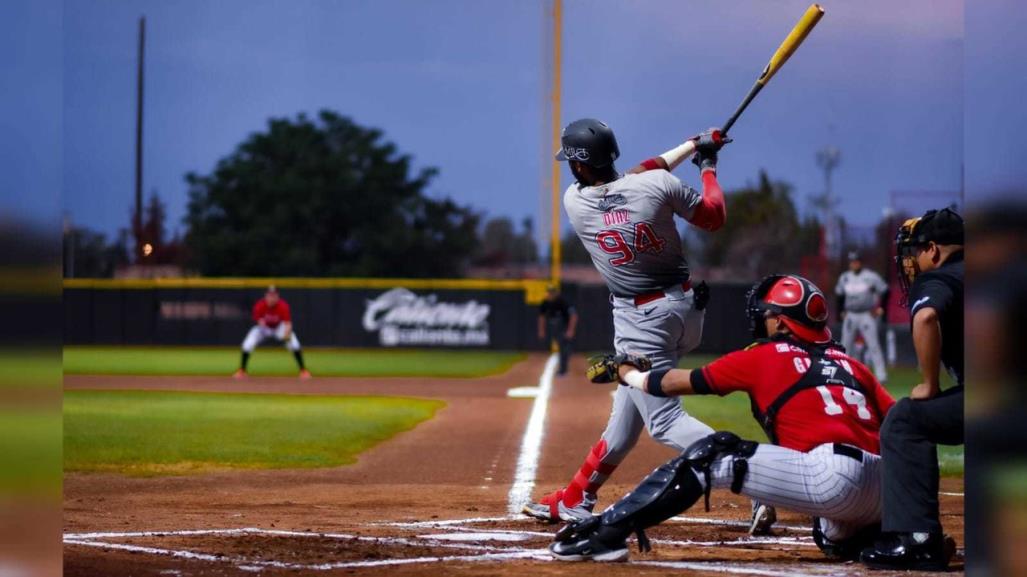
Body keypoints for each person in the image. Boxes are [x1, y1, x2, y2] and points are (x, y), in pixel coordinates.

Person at [522, 118, 778, 534]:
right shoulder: (657, 186)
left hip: (642, 322)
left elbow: (644, 170)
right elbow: (712, 215)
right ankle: (576, 497)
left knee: (663, 421)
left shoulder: (576, 201)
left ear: (582, 166)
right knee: (625, 416)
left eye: (572, 160)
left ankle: (758, 481)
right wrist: (705, 162)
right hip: (686, 310)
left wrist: (691, 146)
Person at [548, 274, 896, 563]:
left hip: (831, 479)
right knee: (832, 535)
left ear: (781, 322)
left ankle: (606, 532)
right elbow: (902, 425)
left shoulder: (767, 355)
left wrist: (628, 375)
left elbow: (677, 383)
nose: (761, 318)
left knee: (711, 453)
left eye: (767, 314)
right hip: (885, 489)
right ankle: (911, 540)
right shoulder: (853, 366)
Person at [860, 208, 964, 571]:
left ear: (933, 250)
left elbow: (925, 316)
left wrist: (930, 383)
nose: (911, 262)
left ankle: (916, 540)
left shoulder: (939, 276)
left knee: (904, 420)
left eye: (915, 251)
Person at [233, 285, 311, 379]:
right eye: (270, 295)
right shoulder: (260, 305)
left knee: (294, 343)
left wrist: (287, 334)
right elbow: (259, 321)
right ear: (266, 296)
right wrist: (263, 328)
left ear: (278, 296)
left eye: (274, 295)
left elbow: (288, 323)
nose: (272, 298)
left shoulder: (283, 305)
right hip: (264, 328)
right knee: (247, 343)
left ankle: (303, 371)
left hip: (279, 328)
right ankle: (242, 370)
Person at [835, 250, 889, 382]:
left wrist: (881, 308)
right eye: (852, 261)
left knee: (873, 345)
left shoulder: (870, 276)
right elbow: (839, 295)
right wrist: (840, 311)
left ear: (860, 262)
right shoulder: (845, 277)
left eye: (856, 261)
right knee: (845, 346)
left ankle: (881, 376)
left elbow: (885, 290)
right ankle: (845, 374)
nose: (854, 264)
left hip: (866, 314)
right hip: (851, 314)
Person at [538, 284, 579, 376]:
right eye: (549, 292)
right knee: (562, 347)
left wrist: (570, 330)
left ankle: (563, 370)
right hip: (552, 327)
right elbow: (542, 317)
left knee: (563, 348)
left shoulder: (562, 302)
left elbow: (573, 316)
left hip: (563, 326)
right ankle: (563, 367)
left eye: (552, 293)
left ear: (556, 293)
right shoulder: (545, 302)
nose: (550, 294)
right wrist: (542, 330)